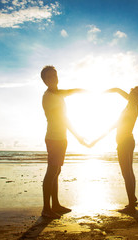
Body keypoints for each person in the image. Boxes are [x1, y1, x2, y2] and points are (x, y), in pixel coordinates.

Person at [90, 86, 138, 212]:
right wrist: (101, 92)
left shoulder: (133, 106)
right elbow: (116, 90)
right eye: (133, 92)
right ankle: (132, 199)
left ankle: (131, 205)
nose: (132, 95)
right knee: (129, 172)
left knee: (126, 173)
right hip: (127, 141)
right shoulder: (130, 103)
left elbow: (116, 124)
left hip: (125, 142)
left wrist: (97, 139)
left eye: (137, 95)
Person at [40, 65, 86, 219]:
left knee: (57, 171)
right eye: (50, 77)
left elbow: (70, 92)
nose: (54, 78)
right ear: (45, 81)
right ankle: (46, 209)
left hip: (61, 137)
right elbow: (63, 119)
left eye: (55, 75)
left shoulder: (58, 94)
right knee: (52, 171)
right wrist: (78, 136)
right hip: (54, 138)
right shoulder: (49, 96)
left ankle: (56, 205)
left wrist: (85, 90)